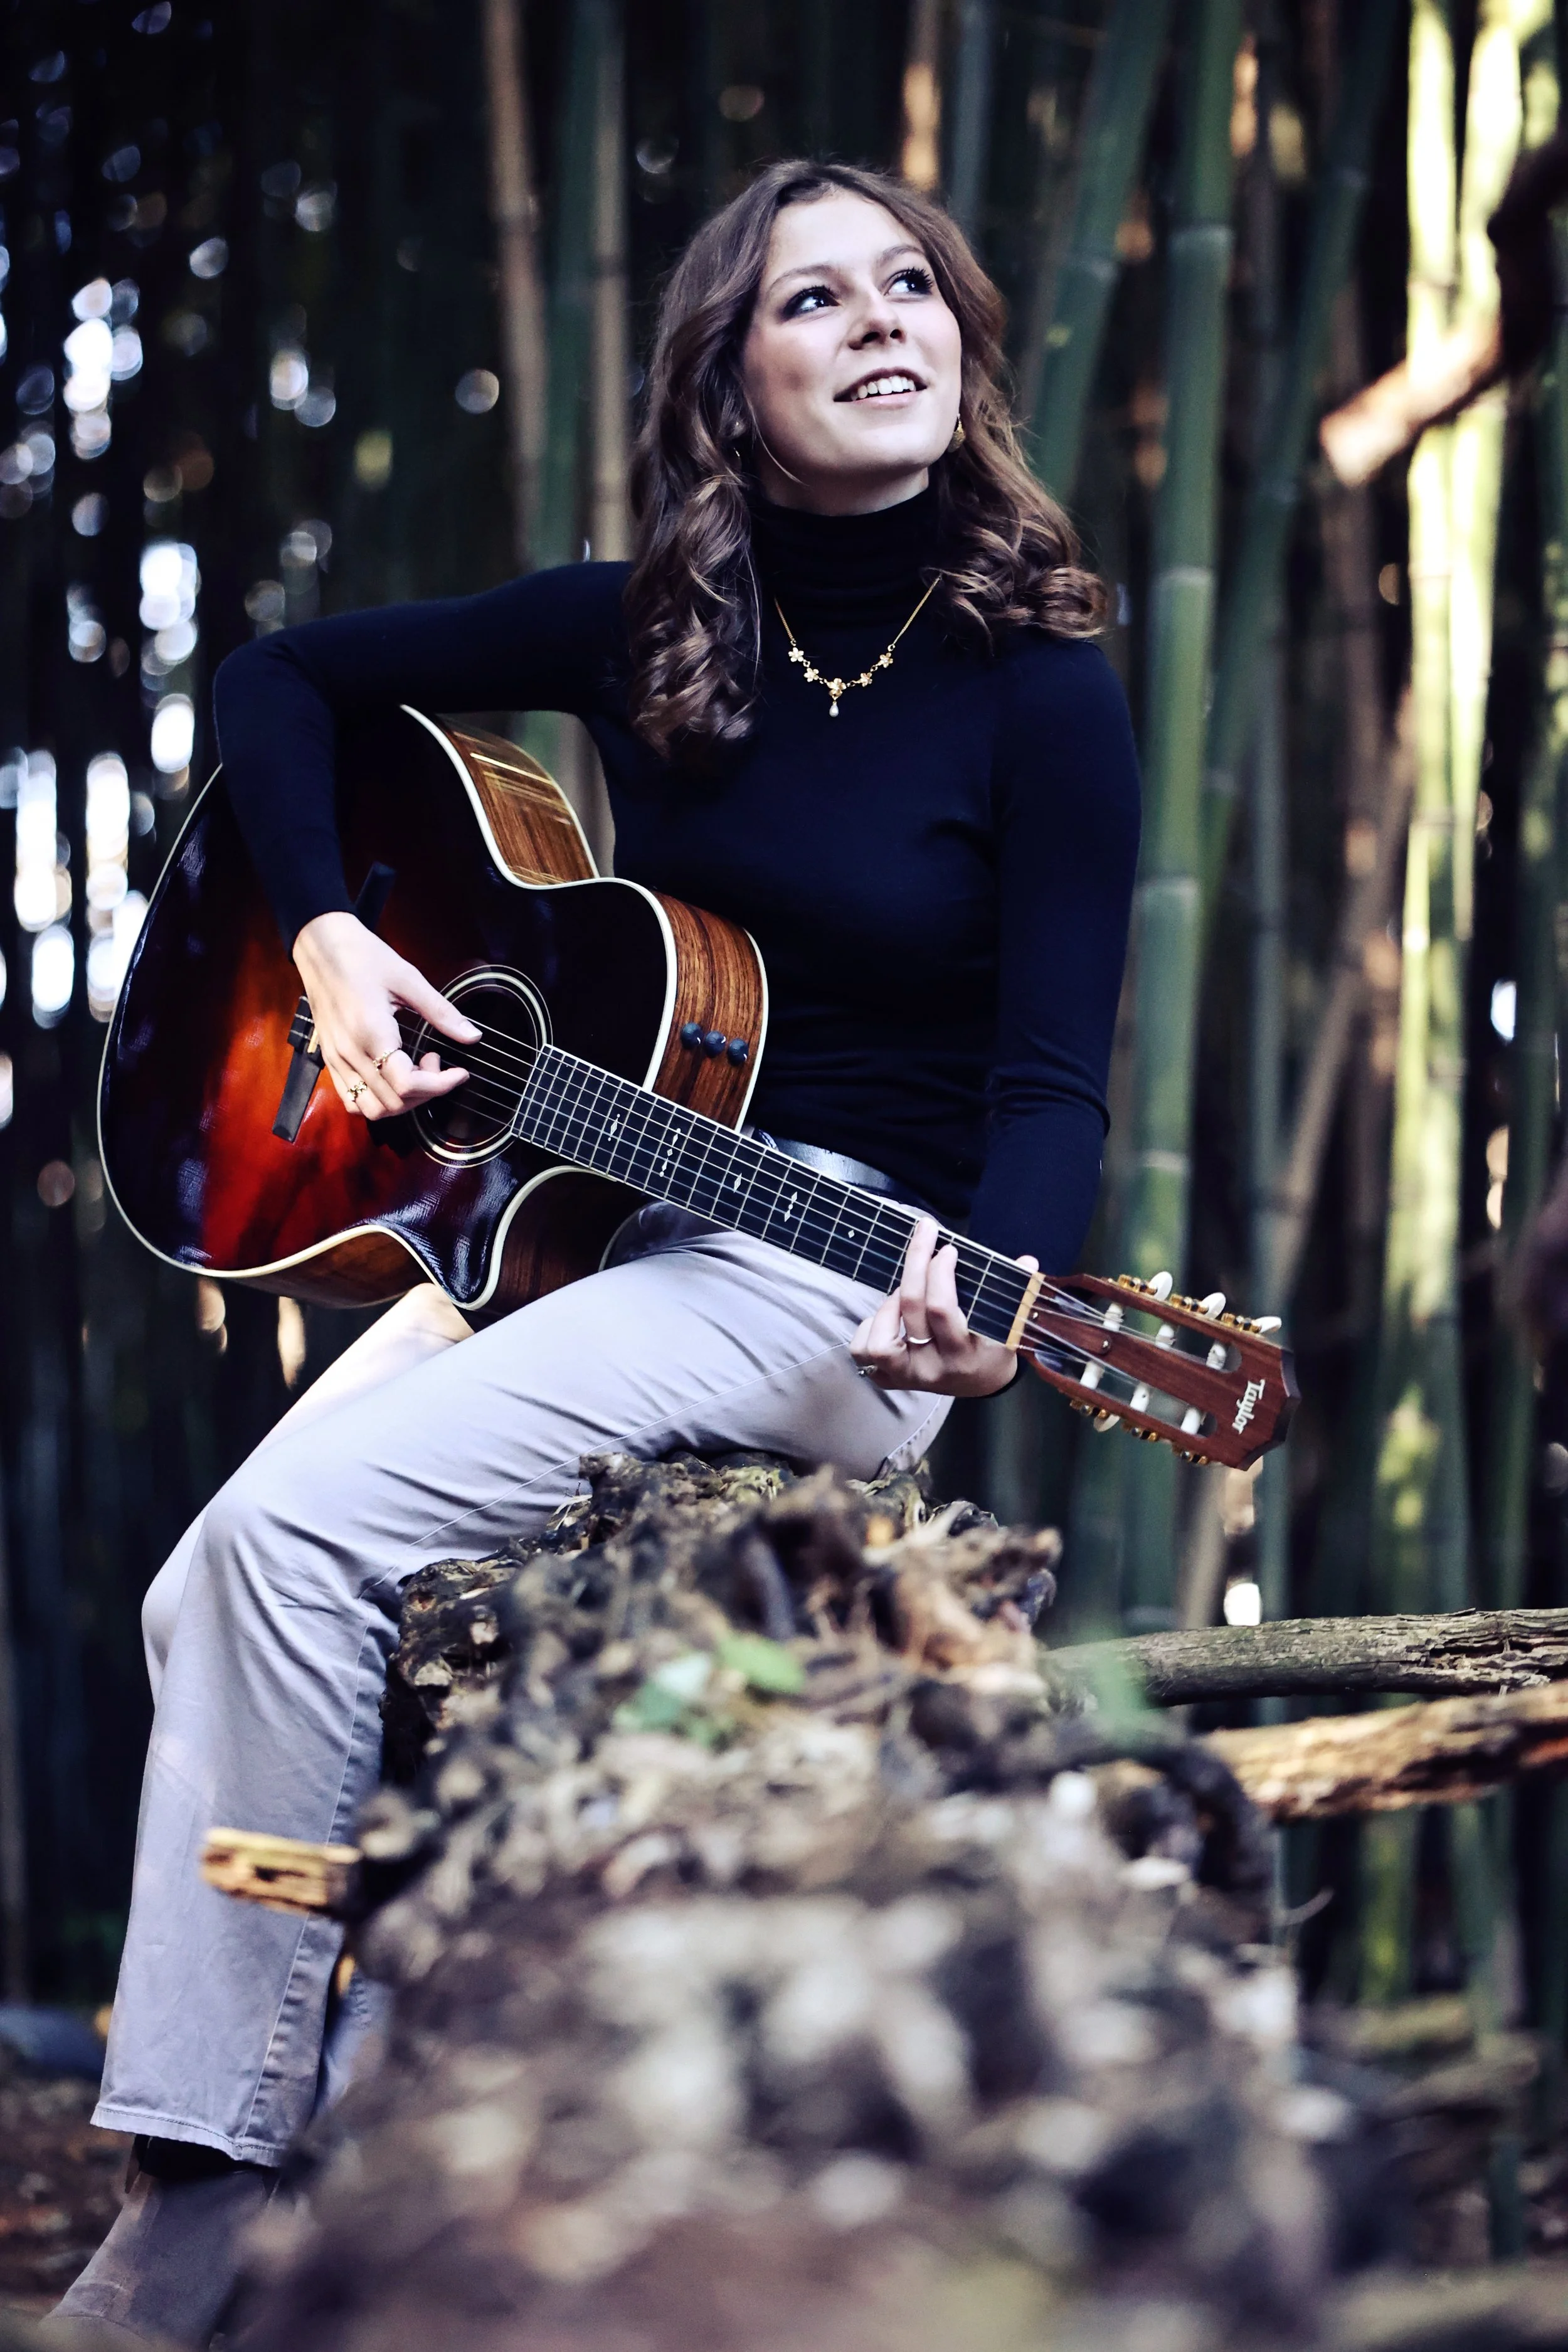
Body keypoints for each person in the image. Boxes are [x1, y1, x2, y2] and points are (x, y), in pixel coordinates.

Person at [53, 157, 1139, 2344]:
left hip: (835, 1276)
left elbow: (1050, 1084)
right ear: (729, 384)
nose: (878, 320)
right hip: (588, 1231)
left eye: (907, 283)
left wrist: (999, 1305)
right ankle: (355, 2080)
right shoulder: (652, 626)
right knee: (201, 1584)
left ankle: (203, 2193)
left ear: (961, 334)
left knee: (289, 1542)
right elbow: (279, 678)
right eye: (812, 299)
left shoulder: (1041, 687)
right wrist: (334, 937)